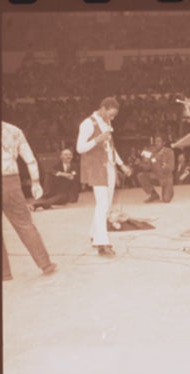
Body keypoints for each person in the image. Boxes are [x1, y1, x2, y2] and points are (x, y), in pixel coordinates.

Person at [76, 97, 132, 257]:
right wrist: (97, 139)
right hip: (96, 168)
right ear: (103, 108)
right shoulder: (87, 123)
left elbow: (111, 148)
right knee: (102, 205)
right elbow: (79, 148)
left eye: (114, 116)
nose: (112, 118)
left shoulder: (107, 123)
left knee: (104, 206)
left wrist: (121, 165)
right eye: (111, 114)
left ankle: (94, 234)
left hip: (110, 167)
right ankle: (102, 242)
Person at [1, 121, 57, 281]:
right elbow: (30, 159)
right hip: (10, 180)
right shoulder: (13, 130)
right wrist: (35, 181)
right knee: (25, 224)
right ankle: (45, 264)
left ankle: (4, 273)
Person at [137, 135, 175, 203]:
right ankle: (154, 194)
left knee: (166, 200)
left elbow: (172, 167)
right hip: (156, 177)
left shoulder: (169, 152)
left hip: (166, 179)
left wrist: (166, 166)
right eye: (155, 141)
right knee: (141, 176)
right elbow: (149, 167)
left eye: (158, 141)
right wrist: (142, 164)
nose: (156, 143)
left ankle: (169, 190)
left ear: (163, 143)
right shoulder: (152, 152)